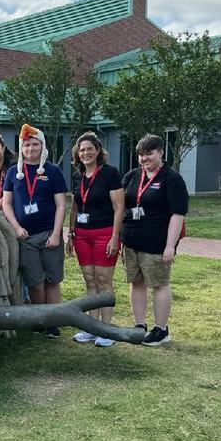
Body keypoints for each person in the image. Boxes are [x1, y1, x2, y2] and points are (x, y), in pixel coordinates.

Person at [120, 134, 188, 347]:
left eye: (149, 153)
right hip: (131, 241)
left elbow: (178, 215)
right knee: (136, 282)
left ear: (160, 152)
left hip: (157, 243)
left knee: (159, 284)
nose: (144, 158)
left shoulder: (172, 179)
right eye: (140, 154)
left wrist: (170, 246)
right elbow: (121, 204)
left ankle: (161, 329)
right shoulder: (132, 176)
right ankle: (140, 325)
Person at [2, 124, 67, 338]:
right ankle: (39, 319)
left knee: (52, 281)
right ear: (22, 148)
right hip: (26, 237)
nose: (31, 148)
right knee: (36, 283)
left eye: (35, 144)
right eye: (27, 144)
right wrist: (16, 227)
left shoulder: (53, 171)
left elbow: (61, 205)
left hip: (49, 234)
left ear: (42, 146)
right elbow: (7, 204)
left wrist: (57, 234)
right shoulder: (13, 172)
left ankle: (53, 322)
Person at [66, 132, 124, 347]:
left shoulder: (110, 174)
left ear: (98, 151)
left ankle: (106, 330)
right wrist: (70, 233)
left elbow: (119, 208)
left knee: (103, 281)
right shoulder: (77, 176)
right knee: (89, 280)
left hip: (104, 233)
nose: (86, 153)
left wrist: (114, 237)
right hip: (82, 234)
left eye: (90, 149)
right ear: (77, 154)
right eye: (82, 150)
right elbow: (75, 207)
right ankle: (91, 328)